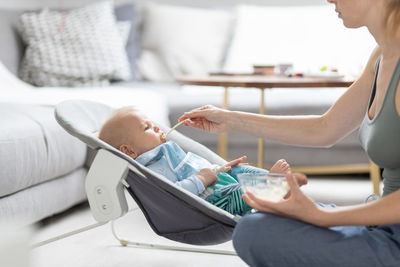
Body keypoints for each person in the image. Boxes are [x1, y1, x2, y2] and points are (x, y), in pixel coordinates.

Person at [178, 0, 400, 265]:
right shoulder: (382, 55)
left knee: (255, 233)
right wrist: (230, 119)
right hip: (382, 224)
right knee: (258, 223)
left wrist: (324, 217)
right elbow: (325, 128)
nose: (329, 0)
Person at [99, 107, 306, 216]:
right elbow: (174, 193)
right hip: (211, 201)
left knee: (241, 171)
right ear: (128, 151)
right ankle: (270, 187)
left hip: (215, 180)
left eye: (153, 125)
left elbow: (195, 168)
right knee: (235, 194)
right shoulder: (153, 168)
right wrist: (202, 179)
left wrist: (220, 168)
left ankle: (275, 186)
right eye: (146, 128)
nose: (156, 128)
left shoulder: (165, 152)